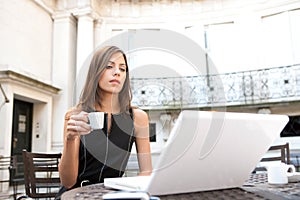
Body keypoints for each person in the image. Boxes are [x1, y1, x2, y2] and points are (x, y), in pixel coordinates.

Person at [56, 46, 152, 198]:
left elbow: (146, 171)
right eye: (109, 66)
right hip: (76, 195)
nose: (117, 73)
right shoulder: (75, 115)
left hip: (115, 196)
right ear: (96, 72)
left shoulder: (139, 118)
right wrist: (70, 139)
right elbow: (67, 182)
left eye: (123, 69)